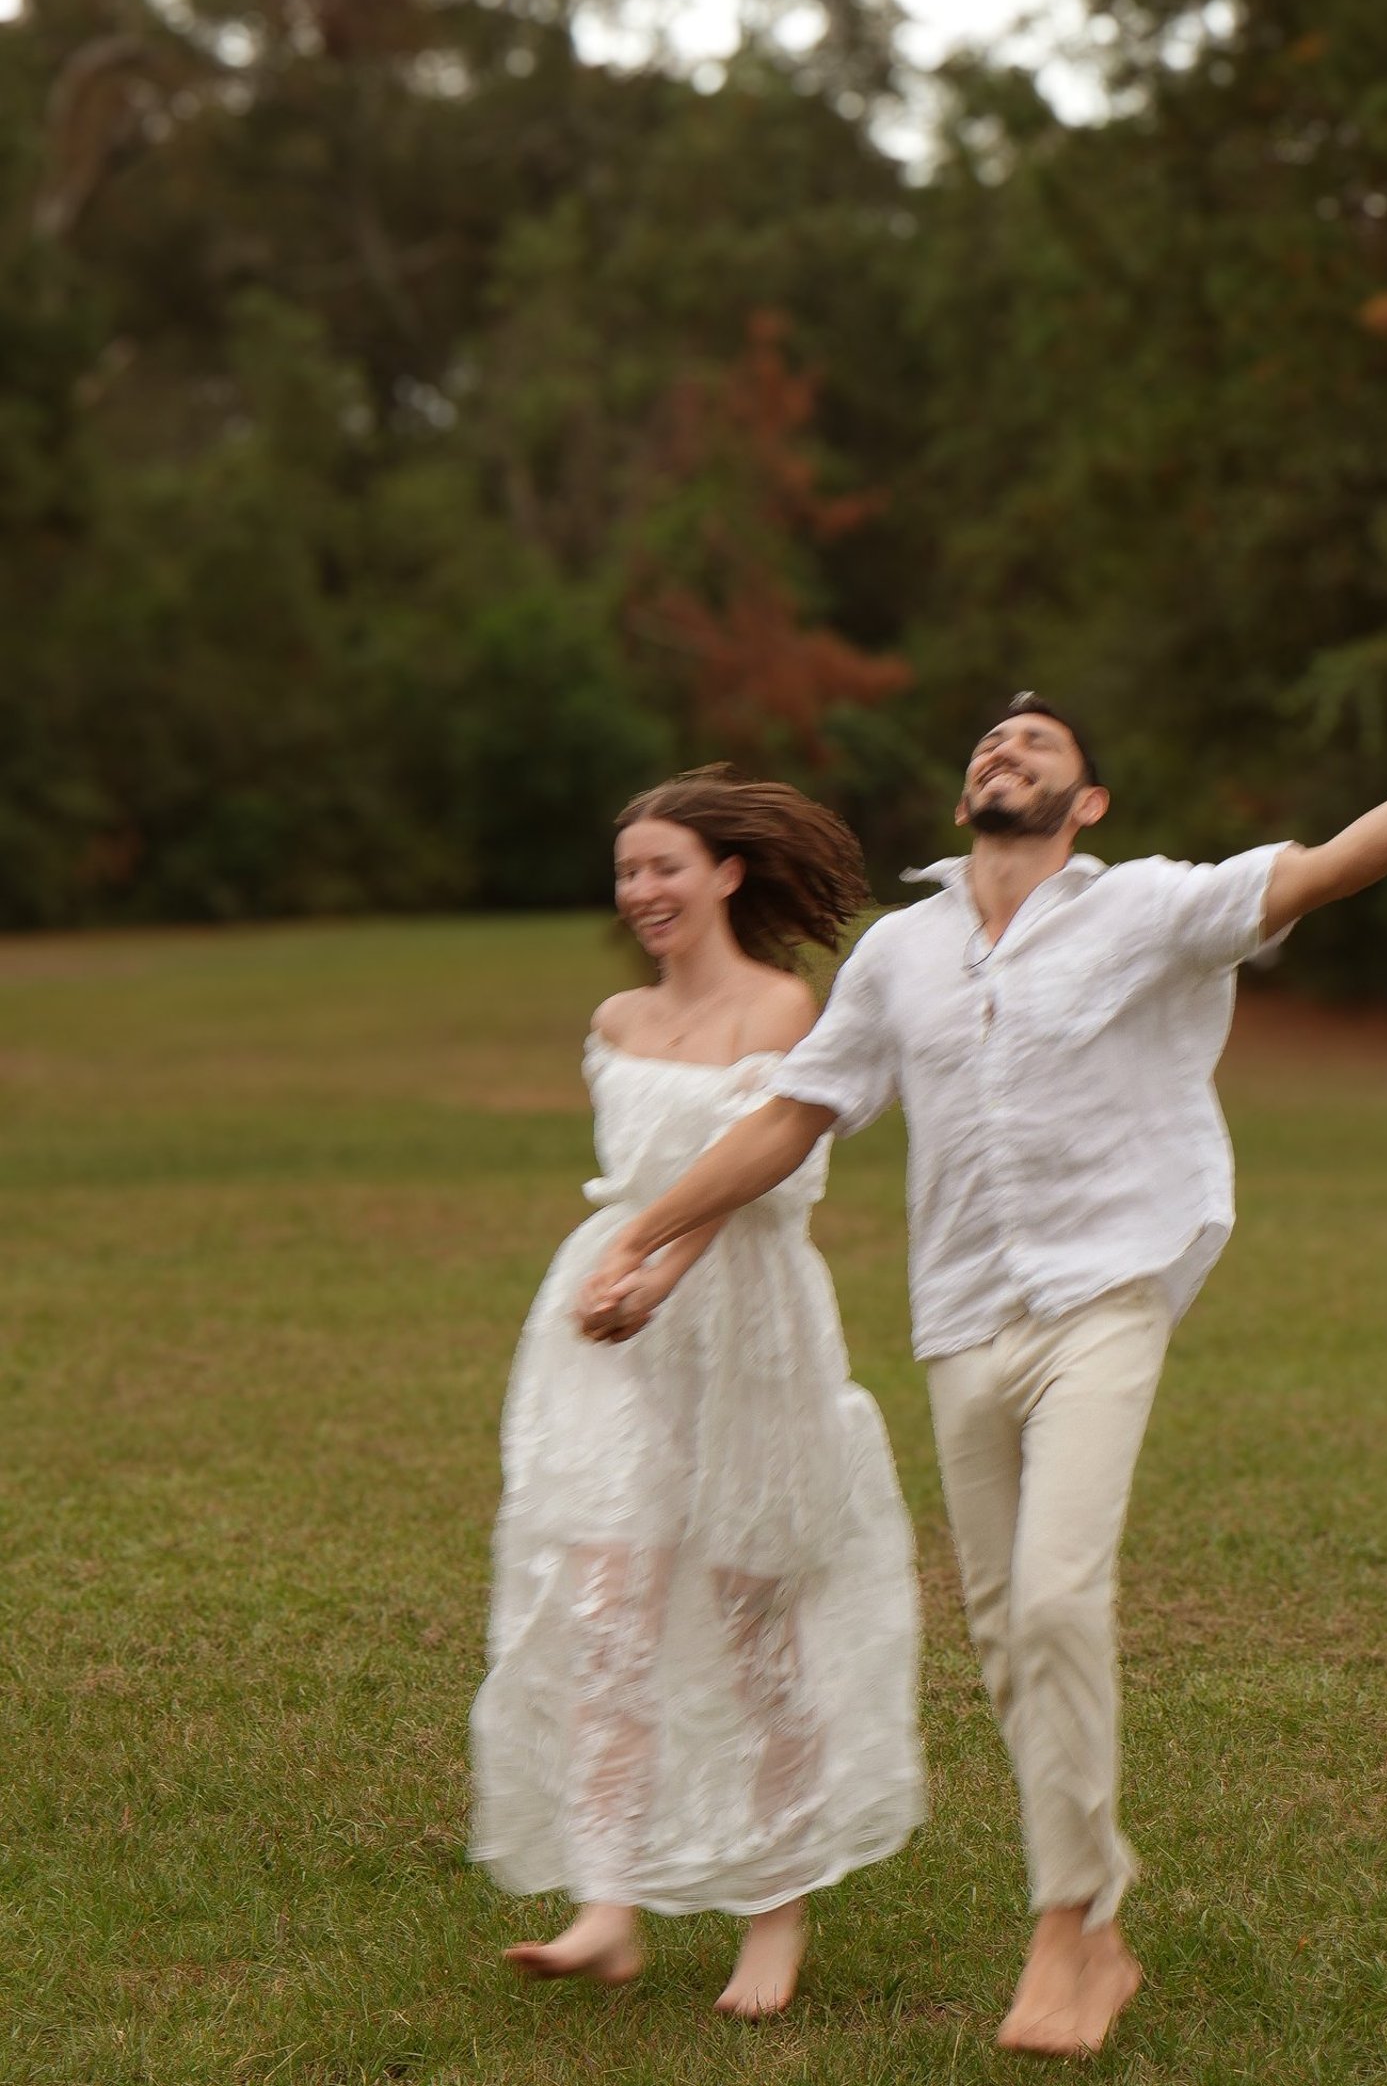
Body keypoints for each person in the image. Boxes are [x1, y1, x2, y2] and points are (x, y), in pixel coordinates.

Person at [578, 647, 1387, 2055]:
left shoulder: (1147, 907)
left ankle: (1069, 1928)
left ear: (1089, 802)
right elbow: (792, 1121)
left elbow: (1332, 865)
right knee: (1012, 1638)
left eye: (1038, 744)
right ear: (966, 799)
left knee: (1061, 1600)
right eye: (991, 744)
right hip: (962, 1321)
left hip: (1104, 1298)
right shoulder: (900, 955)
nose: (1006, 752)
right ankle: (1097, 1916)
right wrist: (647, 1233)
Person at [469, 767, 923, 2015]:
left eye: (664, 865)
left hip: (745, 1322)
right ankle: (606, 1907)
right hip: (612, 1329)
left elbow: (761, 1177)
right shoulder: (616, 1020)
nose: (642, 891)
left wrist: (660, 1266)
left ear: (727, 872)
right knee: (609, 1607)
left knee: (751, 1624)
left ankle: (774, 1916)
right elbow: (637, 1178)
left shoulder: (784, 1004)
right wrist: (623, 1275)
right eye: (627, 872)